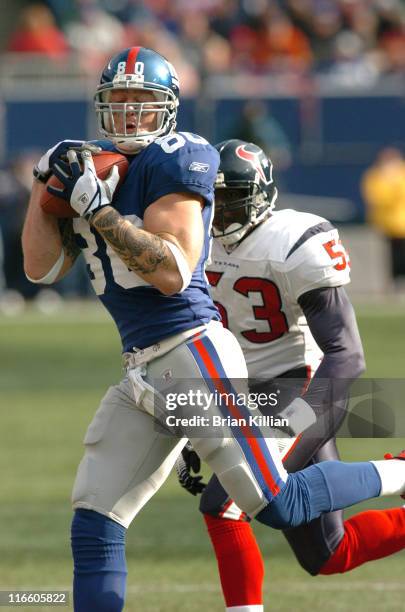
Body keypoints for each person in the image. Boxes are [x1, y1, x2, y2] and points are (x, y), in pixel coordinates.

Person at [21, 48, 405, 612]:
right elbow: (41, 269)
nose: (129, 114)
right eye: (119, 101)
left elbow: (174, 274)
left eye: (142, 102)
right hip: (149, 371)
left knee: (269, 504)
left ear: (168, 109)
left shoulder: (183, 157)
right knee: (95, 514)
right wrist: (42, 188)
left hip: (214, 362)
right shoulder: (89, 164)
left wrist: (102, 215)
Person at [176, 139, 405, 612]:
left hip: (296, 383)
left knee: (226, 504)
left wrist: (301, 426)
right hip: (236, 392)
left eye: (233, 201)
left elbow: (347, 355)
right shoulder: (190, 233)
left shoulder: (293, 240)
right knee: (328, 553)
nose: (220, 216)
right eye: (214, 202)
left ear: (260, 196)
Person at [361, 147, 405, 291]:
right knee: (391, 255)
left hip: (401, 221)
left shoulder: (401, 174)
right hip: (386, 224)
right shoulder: (375, 176)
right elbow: (376, 197)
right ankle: (393, 282)